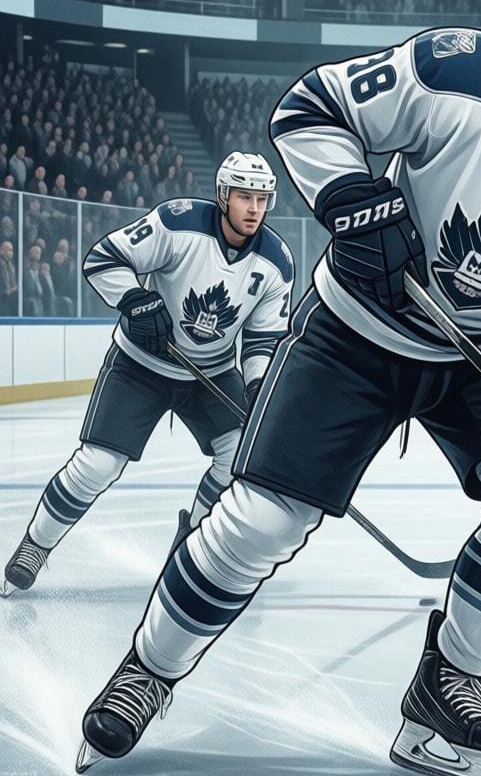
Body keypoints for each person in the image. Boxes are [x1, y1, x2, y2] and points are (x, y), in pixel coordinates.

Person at [76, 0, 481, 776]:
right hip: (357, 331)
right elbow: (310, 109)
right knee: (262, 519)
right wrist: (352, 196)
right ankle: (149, 668)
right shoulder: (450, 71)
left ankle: (447, 682)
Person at [1, 154, 294, 598]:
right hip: (140, 365)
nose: (254, 208)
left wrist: (257, 385)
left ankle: (192, 549)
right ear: (223, 195)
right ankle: (35, 546)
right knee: (97, 465)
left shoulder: (277, 261)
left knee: (237, 458)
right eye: (244, 196)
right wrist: (136, 299)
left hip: (211, 374)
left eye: (261, 198)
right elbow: (104, 259)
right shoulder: (178, 223)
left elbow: (261, 340)